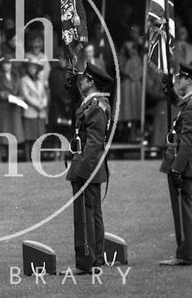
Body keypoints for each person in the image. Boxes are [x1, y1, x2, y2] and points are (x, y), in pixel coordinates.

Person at [159, 63, 192, 267]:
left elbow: (187, 142)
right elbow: (180, 104)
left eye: (180, 78)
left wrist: (177, 169)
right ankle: (185, 252)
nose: (178, 80)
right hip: (189, 160)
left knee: (183, 210)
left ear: (189, 81)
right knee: (186, 208)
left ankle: (185, 254)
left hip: (183, 161)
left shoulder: (191, 107)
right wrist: (170, 91)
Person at [65, 63, 112, 275]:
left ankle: (87, 261)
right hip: (92, 165)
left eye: (81, 78)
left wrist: (81, 171)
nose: (78, 81)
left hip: (87, 166)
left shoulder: (95, 107)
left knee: (85, 216)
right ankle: (96, 257)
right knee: (93, 213)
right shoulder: (94, 103)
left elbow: (93, 144)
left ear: (91, 81)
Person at [21, 58, 48, 161]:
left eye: (34, 67)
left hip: (41, 112)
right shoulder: (24, 80)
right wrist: (37, 105)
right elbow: (26, 96)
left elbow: (45, 95)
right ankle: (28, 159)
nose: (32, 69)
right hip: (30, 111)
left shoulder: (40, 81)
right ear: (27, 68)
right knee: (29, 137)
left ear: (37, 69)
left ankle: (37, 158)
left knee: (38, 136)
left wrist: (43, 103)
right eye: (30, 67)